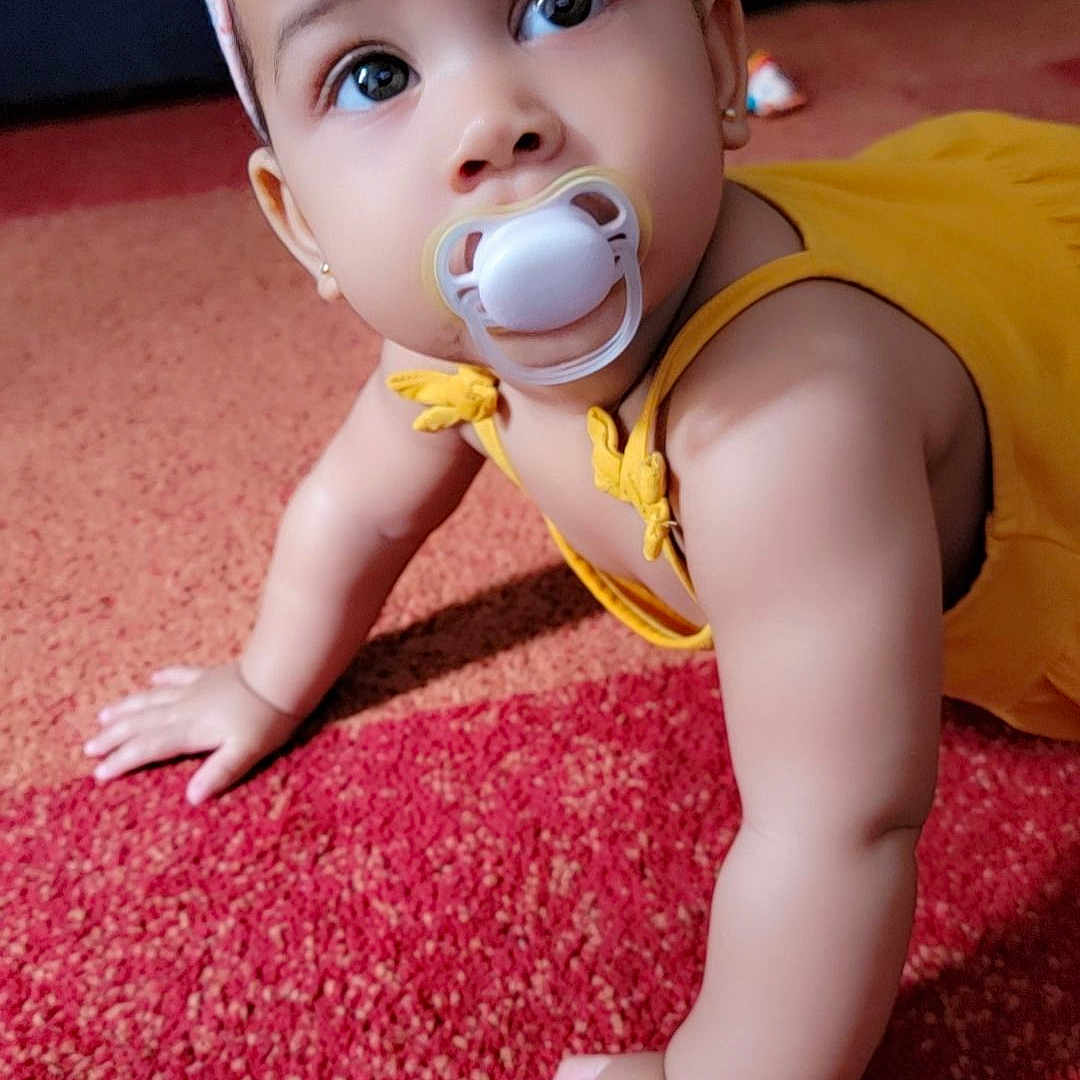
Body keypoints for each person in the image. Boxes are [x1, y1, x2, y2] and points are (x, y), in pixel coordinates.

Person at [83, 0, 1080, 1076]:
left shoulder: (783, 425)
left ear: (712, 52)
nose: (491, 125)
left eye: (557, 6)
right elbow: (361, 505)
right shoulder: (449, 345)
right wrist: (262, 683)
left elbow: (839, 822)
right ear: (306, 226)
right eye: (374, 76)